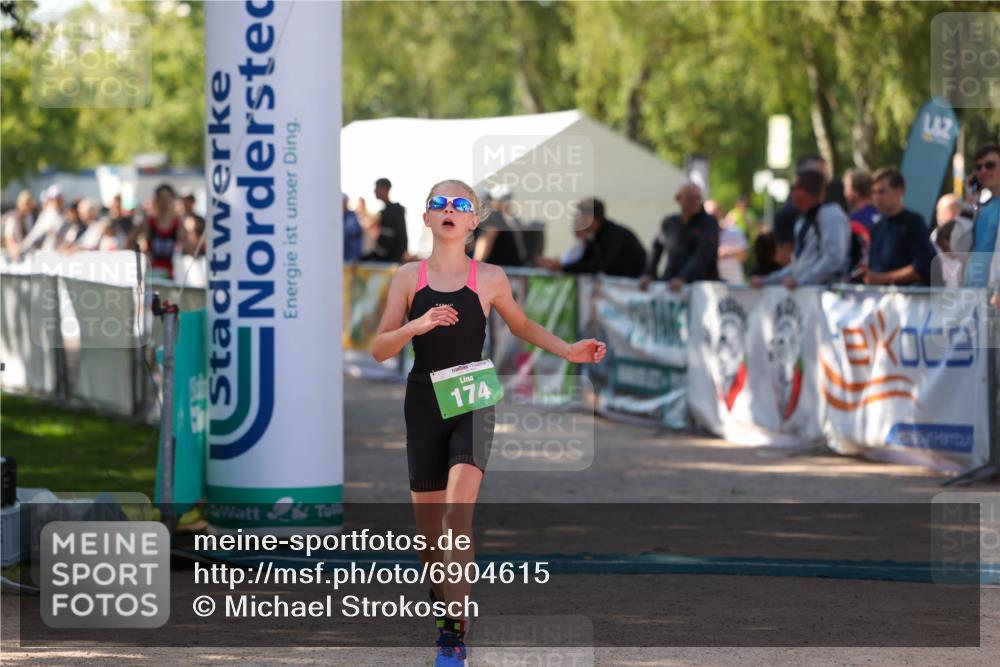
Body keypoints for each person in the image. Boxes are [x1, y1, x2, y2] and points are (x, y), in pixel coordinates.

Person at [370, 179, 606, 667]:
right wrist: (417, 325)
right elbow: (379, 348)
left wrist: (569, 351)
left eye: (461, 204)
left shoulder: (491, 277)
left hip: (472, 398)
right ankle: (447, 605)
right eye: (440, 203)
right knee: (430, 540)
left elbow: (521, 325)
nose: (450, 209)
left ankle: (452, 636)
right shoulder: (408, 278)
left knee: (457, 515)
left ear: (474, 221)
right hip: (423, 402)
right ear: (427, 217)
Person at [751, 170, 849, 289]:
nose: (791, 192)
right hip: (808, 293)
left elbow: (833, 259)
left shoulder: (830, 215)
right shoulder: (804, 220)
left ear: (803, 191)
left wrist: (802, 281)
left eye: (793, 188)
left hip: (826, 294)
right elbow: (799, 266)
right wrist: (766, 281)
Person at [536, 198, 646, 278]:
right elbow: (584, 261)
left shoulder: (614, 235)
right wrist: (560, 266)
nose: (579, 221)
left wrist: (562, 267)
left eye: (582, 217)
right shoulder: (594, 236)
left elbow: (597, 266)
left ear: (593, 219)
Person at [863, 168, 937, 286]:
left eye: (882, 191)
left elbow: (922, 266)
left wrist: (881, 278)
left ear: (899, 191)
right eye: (874, 192)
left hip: (908, 296)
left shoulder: (914, 223)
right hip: (879, 295)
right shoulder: (877, 226)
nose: (877, 197)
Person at [639, 182, 720, 291]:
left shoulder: (708, 223)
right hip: (670, 283)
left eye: (698, 198)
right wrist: (649, 273)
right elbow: (656, 247)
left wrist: (683, 278)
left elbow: (703, 254)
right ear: (678, 199)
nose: (695, 202)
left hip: (700, 287)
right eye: (690, 198)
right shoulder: (670, 223)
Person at [964, 144, 1000, 292]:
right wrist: (970, 197)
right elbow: (958, 245)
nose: (983, 171)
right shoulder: (979, 207)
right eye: (979, 167)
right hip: (973, 294)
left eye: (990, 165)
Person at [132, 184, 183, 279]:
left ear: (172, 201)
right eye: (161, 199)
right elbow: (131, 243)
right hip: (152, 275)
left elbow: (187, 249)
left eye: (167, 199)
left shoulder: (179, 224)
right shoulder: (148, 223)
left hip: (173, 276)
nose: (164, 203)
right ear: (155, 201)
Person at [473, 186, 527, 267]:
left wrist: (474, 267)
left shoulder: (496, 218)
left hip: (504, 268)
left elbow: (485, 241)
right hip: (505, 268)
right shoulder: (496, 218)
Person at [362, 177, 409, 263]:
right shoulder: (390, 210)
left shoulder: (393, 211)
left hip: (390, 262)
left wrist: (373, 257)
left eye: (377, 188)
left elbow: (388, 241)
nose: (374, 191)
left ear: (385, 189)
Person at [843, 168, 878, 281]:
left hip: (858, 278)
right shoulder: (884, 215)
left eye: (846, 187)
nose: (844, 192)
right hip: (879, 276)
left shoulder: (852, 220)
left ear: (856, 191)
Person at [20, 184, 65, 253]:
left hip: (59, 254)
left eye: (58, 198)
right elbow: (35, 234)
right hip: (45, 253)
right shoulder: (45, 215)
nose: (56, 201)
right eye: (54, 198)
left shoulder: (65, 215)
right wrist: (22, 248)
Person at [2, 190, 37, 260]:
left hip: (29, 252)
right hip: (17, 254)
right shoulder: (13, 217)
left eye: (29, 203)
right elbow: (9, 237)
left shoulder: (32, 217)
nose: (28, 206)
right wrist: (13, 248)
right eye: (26, 203)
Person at [343, 193, 363, 261]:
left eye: (344, 201)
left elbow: (356, 234)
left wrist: (355, 256)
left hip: (350, 256)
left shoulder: (352, 216)